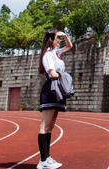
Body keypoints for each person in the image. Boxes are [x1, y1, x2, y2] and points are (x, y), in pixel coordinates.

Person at [37, 29, 72, 169]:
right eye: (58, 38)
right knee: (45, 125)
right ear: (51, 39)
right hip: (51, 88)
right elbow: (52, 73)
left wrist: (65, 35)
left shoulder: (56, 53)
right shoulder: (48, 55)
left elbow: (69, 46)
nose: (60, 40)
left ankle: (47, 157)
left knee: (50, 126)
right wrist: (64, 76)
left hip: (57, 89)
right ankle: (43, 160)